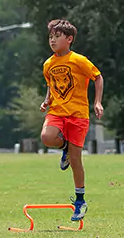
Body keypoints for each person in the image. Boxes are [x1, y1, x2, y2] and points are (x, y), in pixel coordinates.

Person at [40, 19, 104, 222]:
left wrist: (98, 102)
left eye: (57, 37)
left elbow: (98, 77)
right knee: (47, 137)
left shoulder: (79, 60)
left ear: (69, 39)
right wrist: (46, 100)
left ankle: (80, 200)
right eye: (50, 37)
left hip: (78, 115)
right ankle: (65, 146)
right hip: (57, 112)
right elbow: (51, 84)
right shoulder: (48, 64)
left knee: (76, 161)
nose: (53, 40)